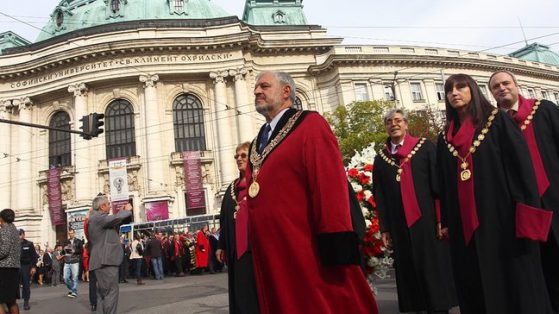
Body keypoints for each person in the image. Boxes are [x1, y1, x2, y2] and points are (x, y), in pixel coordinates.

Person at [245, 71, 378, 313]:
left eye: (264, 85)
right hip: (272, 251)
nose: (256, 91)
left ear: (286, 92)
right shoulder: (257, 142)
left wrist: (335, 242)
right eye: (255, 87)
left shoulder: (310, 124)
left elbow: (328, 185)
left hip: (306, 247)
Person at [437, 73, 553, 314]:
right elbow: (445, 186)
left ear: (473, 91)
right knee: (475, 282)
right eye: (449, 90)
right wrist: (447, 222)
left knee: (512, 284)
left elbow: (521, 169)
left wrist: (526, 211)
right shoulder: (443, 138)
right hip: (465, 225)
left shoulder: (497, 121)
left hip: (503, 218)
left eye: (461, 87)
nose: (454, 93)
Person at [373, 109, 457, 314]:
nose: (394, 124)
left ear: (406, 125)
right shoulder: (381, 157)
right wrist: (385, 228)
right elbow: (380, 195)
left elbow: (438, 186)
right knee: (409, 271)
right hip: (399, 225)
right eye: (389, 121)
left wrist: (440, 219)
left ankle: (439, 309)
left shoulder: (425, 147)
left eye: (398, 120)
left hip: (427, 221)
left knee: (432, 269)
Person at [489, 70, 559, 313]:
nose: (502, 88)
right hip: (521, 208)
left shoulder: (545, 109)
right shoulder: (493, 125)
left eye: (506, 83)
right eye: (496, 86)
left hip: (554, 198)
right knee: (538, 267)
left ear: (516, 85)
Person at [216, 141, 260, 314]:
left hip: (255, 248)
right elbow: (224, 218)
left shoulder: (259, 182)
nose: (239, 159)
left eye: (243, 155)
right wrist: (221, 245)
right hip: (235, 250)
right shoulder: (231, 188)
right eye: (236, 156)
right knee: (240, 290)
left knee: (255, 290)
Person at [88, 194, 132, 314]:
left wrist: (122, 213)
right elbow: (115, 218)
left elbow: (117, 220)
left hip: (103, 260)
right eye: (108, 204)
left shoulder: (99, 219)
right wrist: (127, 211)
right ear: (102, 207)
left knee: (103, 293)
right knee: (110, 293)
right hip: (105, 260)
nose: (109, 207)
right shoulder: (97, 218)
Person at [0, 209, 21, 314]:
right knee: (11, 301)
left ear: (1, 219)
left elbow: (4, 250)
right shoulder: (14, 230)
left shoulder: (4, 230)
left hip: (4, 268)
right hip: (14, 268)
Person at [19, 229, 37, 311]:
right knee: (12, 284)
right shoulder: (13, 244)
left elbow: (34, 256)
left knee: (26, 284)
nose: (18, 236)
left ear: (23, 235)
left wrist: (33, 267)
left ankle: (26, 302)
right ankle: (11, 303)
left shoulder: (29, 244)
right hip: (15, 266)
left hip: (26, 266)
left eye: (20, 234)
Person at [62, 228, 83, 298]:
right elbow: (63, 250)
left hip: (75, 261)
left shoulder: (79, 241)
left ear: (74, 233)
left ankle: (74, 291)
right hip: (67, 261)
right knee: (65, 278)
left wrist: (74, 251)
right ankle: (72, 288)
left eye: (71, 233)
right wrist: (65, 250)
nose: (70, 234)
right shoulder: (66, 241)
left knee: (75, 277)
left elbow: (81, 251)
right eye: (69, 233)